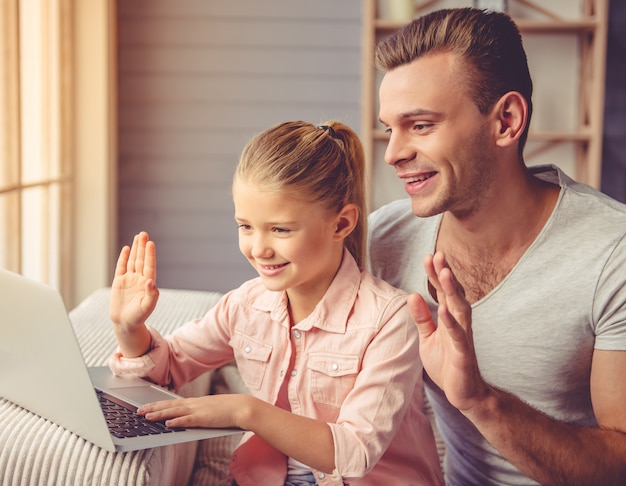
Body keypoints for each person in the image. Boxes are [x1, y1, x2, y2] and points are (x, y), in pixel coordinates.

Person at [368, 7, 626, 486]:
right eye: (390, 128)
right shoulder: (383, 240)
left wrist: (480, 402)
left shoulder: (613, 253)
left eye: (419, 125)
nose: (393, 153)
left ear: (506, 120)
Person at [109, 120, 444, 485]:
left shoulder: (391, 318)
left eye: (280, 229)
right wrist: (129, 329)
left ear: (341, 224)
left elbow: (355, 453)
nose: (259, 248)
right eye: (246, 226)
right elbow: (169, 368)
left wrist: (246, 411)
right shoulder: (245, 305)